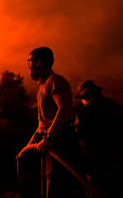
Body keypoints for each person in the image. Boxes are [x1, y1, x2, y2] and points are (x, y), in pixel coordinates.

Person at [16, 47, 79, 198]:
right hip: (49, 141)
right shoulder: (43, 86)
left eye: (29, 61)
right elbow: (43, 122)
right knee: (47, 182)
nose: (28, 65)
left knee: (57, 186)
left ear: (38, 62)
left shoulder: (55, 82)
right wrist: (30, 144)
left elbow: (64, 110)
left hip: (60, 140)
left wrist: (49, 138)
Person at [74, 80, 122, 197]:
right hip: (117, 157)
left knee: (94, 189)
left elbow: (79, 134)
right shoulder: (113, 105)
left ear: (84, 96)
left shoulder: (84, 113)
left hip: (95, 160)